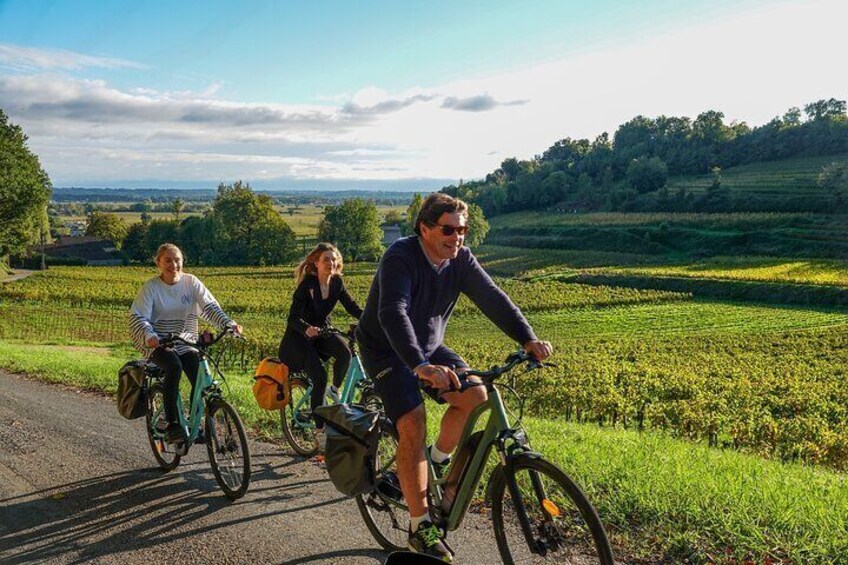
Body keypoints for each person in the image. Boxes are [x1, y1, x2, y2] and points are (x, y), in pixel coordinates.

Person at [356, 193, 552, 561]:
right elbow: (392, 312)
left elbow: (493, 297)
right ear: (425, 228)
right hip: (386, 349)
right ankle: (419, 525)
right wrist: (419, 365)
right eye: (449, 229)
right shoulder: (400, 256)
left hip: (429, 346)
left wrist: (527, 338)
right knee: (413, 421)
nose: (458, 237)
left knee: (476, 398)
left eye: (463, 230)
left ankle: (436, 464)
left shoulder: (460, 259)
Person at [129, 243, 242, 446]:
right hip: (158, 342)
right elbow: (139, 316)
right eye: (168, 260)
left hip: (185, 340)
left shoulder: (191, 283)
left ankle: (194, 422)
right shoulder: (152, 288)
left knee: (198, 374)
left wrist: (229, 324)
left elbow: (209, 306)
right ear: (158, 263)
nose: (174, 264)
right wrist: (149, 335)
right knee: (174, 366)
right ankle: (173, 424)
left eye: (177, 259)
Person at [278, 242, 363, 451]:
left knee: (344, 352)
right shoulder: (307, 284)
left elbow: (352, 307)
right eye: (326, 259)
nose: (331, 263)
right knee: (319, 377)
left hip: (322, 331)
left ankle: (333, 392)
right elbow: (292, 318)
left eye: (334, 259)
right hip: (298, 339)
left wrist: (370, 320)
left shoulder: (337, 283)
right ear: (316, 263)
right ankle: (319, 432)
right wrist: (306, 328)